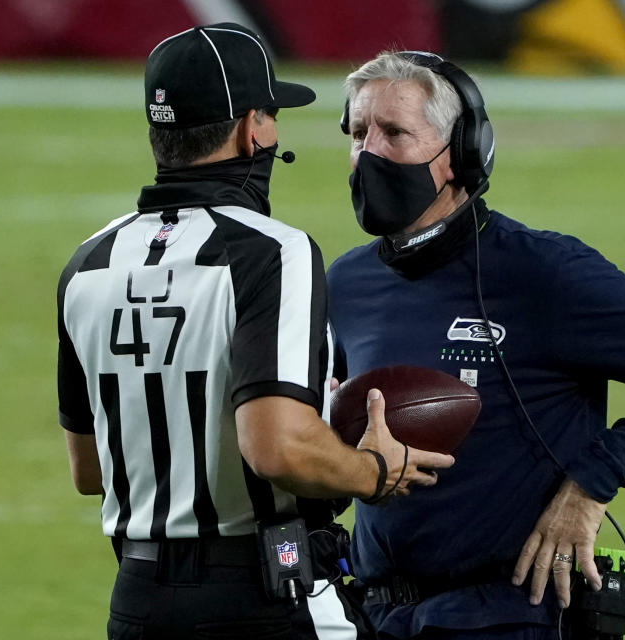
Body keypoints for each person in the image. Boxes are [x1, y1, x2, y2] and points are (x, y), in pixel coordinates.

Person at [327, 51, 625, 639]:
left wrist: (591, 483)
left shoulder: (545, 272)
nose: (368, 153)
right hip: (376, 614)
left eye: (394, 133)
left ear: (461, 154)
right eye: (357, 134)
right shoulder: (345, 282)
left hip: (509, 614)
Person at [56, 26, 453, 640]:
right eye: (271, 113)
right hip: (264, 596)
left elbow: (90, 469)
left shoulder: (89, 261)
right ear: (252, 129)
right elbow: (277, 449)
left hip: (136, 602)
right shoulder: (273, 251)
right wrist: (373, 471)